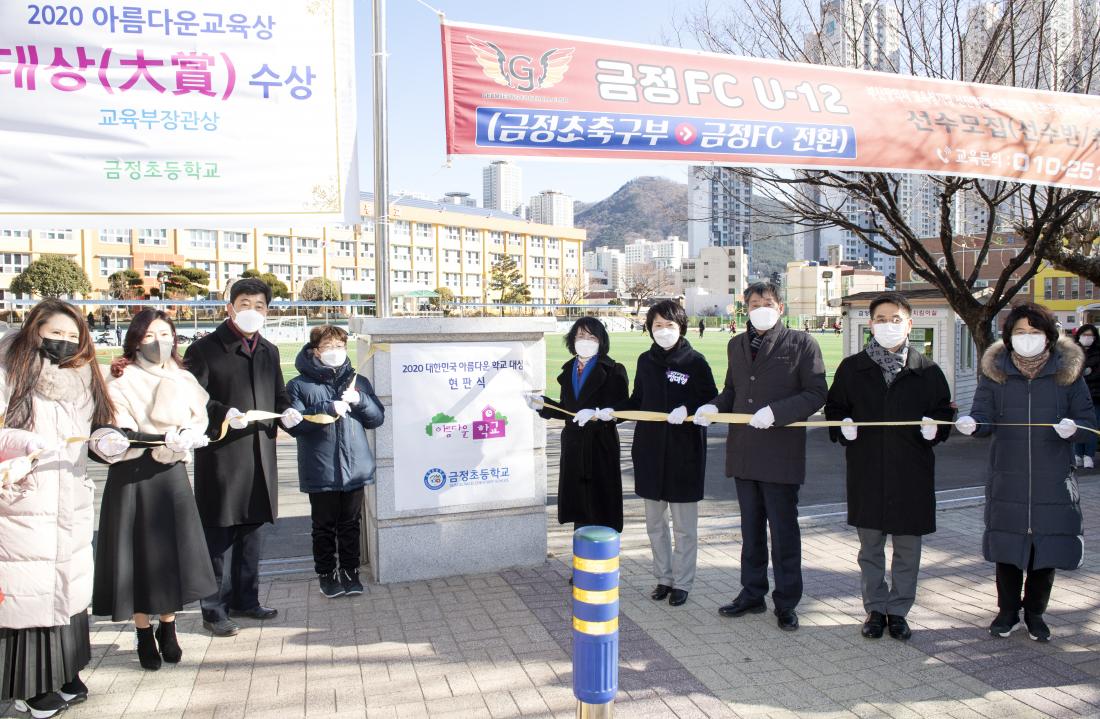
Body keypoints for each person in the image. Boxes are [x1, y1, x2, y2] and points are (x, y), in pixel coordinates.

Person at [0, 299, 116, 717]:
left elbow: (99, 429)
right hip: (23, 500)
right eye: (56, 334)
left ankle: (65, 670)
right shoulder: (9, 367)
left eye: (72, 336)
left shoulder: (83, 376)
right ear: (35, 329)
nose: (64, 343)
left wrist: (108, 444)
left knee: (68, 587)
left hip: (70, 494)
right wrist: (20, 442)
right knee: (29, 590)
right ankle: (27, 686)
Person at [955, 302, 1094, 643]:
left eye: (1034, 332)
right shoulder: (996, 374)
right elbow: (983, 415)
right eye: (1020, 332)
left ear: (1048, 336)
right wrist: (973, 424)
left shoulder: (1067, 375)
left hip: (1053, 478)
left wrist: (1074, 429)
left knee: (1044, 552)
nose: (1027, 338)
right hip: (1008, 475)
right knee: (1008, 549)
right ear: (1008, 336)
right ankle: (1006, 612)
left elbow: (1090, 424)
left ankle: (1035, 613)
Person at [89, 309, 218, 670]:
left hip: (172, 473)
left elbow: (200, 417)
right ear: (134, 340)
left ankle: (169, 624)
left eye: (165, 334)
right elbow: (118, 430)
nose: (158, 342)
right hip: (132, 475)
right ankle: (143, 630)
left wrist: (187, 439)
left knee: (172, 552)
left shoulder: (183, 377)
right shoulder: (119, 378)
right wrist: (162, 439)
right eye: (148, 336)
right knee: (137, 557)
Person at [695, 281, 827, 632]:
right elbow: (733, 391)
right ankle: (752, 592)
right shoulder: (736, 344)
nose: (760, 307)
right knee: (750, 530)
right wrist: (713, 406)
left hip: (780, 452)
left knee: (783, 532)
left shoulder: (801, 343)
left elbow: (816, 393)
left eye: (767, 302)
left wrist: (777, 412)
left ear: (780, 307)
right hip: (744, 451)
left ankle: (786, 601)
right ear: (746, 309)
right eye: (754, 303)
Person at [823, 293, 955, 641]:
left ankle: (899, 611)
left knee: (908, 550)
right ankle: (875, 609)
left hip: (911, 472)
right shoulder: (853, 368)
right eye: (881, 319)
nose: (888, 325)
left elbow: (945, 412)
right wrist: (842, 425)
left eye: (895, 319)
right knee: (870, 549)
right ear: (870, 325)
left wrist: (937, 428)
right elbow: (833, 408)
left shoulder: (926, 370)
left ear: (909, 324)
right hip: (867, 470)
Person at [183, 278, 302, 637]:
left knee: (251, 533)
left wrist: (289, 413)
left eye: (260, 305)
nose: (253, 311)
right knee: (219, 536)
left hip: (260, 455)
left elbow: (278, 395)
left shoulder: (268, 349)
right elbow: (191, 397)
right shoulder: (205, 349)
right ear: (230, 306)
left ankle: (246, 600)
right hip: (223, 456)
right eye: (245, 303)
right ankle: (213, 608)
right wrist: (221, 412)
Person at [613, 300, 716, 607]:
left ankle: (683, 582)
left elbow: (713, 400)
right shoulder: (645, 361)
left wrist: (690, 408)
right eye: (657, 325)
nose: (663, 331)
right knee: (655, 524)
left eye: (669, 325)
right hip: (649, 451)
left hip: (685, 454)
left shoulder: (695, 361)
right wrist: (612, 412)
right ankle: (663, 577)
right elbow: (638, 400)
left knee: (684, 527)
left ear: (681, 326)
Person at [286, 325, 384, 598]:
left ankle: (351, 572)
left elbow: (376, 418)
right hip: (321, 470)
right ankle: (326, 575)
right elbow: (294, 425)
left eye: (340, 347)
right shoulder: (298, 385)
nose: (336, 352)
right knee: (324, 526)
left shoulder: (357, 381)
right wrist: (325, 409)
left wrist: (361, 400)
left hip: (355, 468)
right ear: (315, 351)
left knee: (351, 524)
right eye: (329, 347)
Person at [525, 317, 629, 539]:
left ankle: (602, 564)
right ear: (572, 339)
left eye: (592, 337)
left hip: (600, 446)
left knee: (601, 504)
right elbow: (566, 409)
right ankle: (582, 566)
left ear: (601, 341)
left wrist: (601, 414)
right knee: (580, 505)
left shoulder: (614, 370)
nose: (586, 340)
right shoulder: (569, 369)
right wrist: (542, 404)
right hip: (574, 445)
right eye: (581, 335)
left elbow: (623, 407)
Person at [1072, 323, 1100, 469]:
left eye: (1090, 336)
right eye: (1084, 335)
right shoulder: (1073, 352)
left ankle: (1089, 455)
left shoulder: (1098, 353)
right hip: (1076, 396)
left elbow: (1094, 375)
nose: (1087, 338)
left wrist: (1086, 373)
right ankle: (1078, 455)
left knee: (1092, 426)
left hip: (1096, 396)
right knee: (1076, 425)